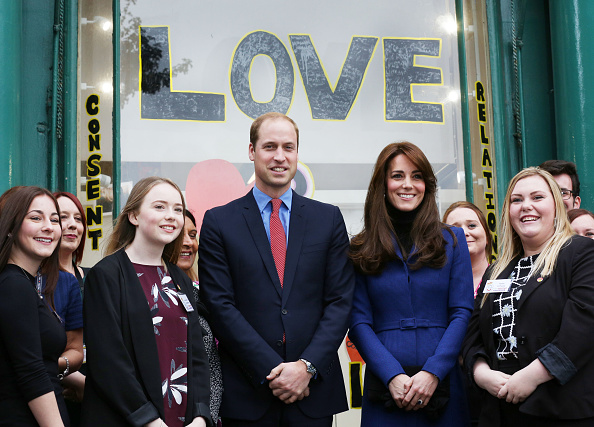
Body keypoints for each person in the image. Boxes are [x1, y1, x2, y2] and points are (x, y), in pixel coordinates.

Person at [198, 112, 355, 426]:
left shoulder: (328, 219)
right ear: (252, 151)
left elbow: (340, 301)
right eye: (270, 147)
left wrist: (305, 367)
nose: (280, 157)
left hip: (312, 392)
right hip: (247, 393)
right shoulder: (219, 222)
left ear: (298, 152)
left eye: (289, 147)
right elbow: (219, 305)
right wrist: (275, 371)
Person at [349, 141, 474, 426]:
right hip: (384, 386)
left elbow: (461, 311)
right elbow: (358, 321)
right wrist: (391, 374)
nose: (408, 184)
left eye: (417, 176)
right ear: (383, 183)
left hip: (443, 383)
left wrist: (434, 372)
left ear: (427, 185)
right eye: (397, 176)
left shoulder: (453, 240)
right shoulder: (360, 247)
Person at [462, 167, 594, 426]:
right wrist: (481, 373)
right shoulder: (496, 270)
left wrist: (533, 376)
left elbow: (584, 327)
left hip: (560, 409)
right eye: (517, 200)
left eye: (537, 197)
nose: (526, 206)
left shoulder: (581, 254)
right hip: (499, 408)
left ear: (557, 206)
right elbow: (472, 333)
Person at [81, 177, 212, 427]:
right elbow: (108, 361)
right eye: (159, 207)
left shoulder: (179, 279)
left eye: (177, 209)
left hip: (182, 420)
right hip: (129, 419)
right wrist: (148, 420)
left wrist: (200, 415)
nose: (172, 216)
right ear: (133, 216)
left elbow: (196, 355)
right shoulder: (106, 275)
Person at [0, 186, 67, 425]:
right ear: (10, 228)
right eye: (35, 218)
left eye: (54, 219)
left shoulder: (24, 284)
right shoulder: (14, 286)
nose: (49, 226)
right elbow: (31, 372)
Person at [177, 210, 223, 424]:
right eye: (179, 234)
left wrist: (207, 419)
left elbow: (213, 370)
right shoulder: (146, 296)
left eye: (193, 235)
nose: (188, 243)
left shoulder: (204, 293)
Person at [54, 192, 89, 424]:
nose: (72, 225)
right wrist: (77, 381)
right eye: (62, 217)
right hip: (56, 392)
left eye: (78, 218)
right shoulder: (34, 280)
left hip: (98, 393)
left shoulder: (93, 278)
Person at [443, 201, 493, 296]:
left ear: (487, 235)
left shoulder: (505, 277)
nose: (464, 233)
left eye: (472, 226)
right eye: (455, 229)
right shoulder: (437, 284)